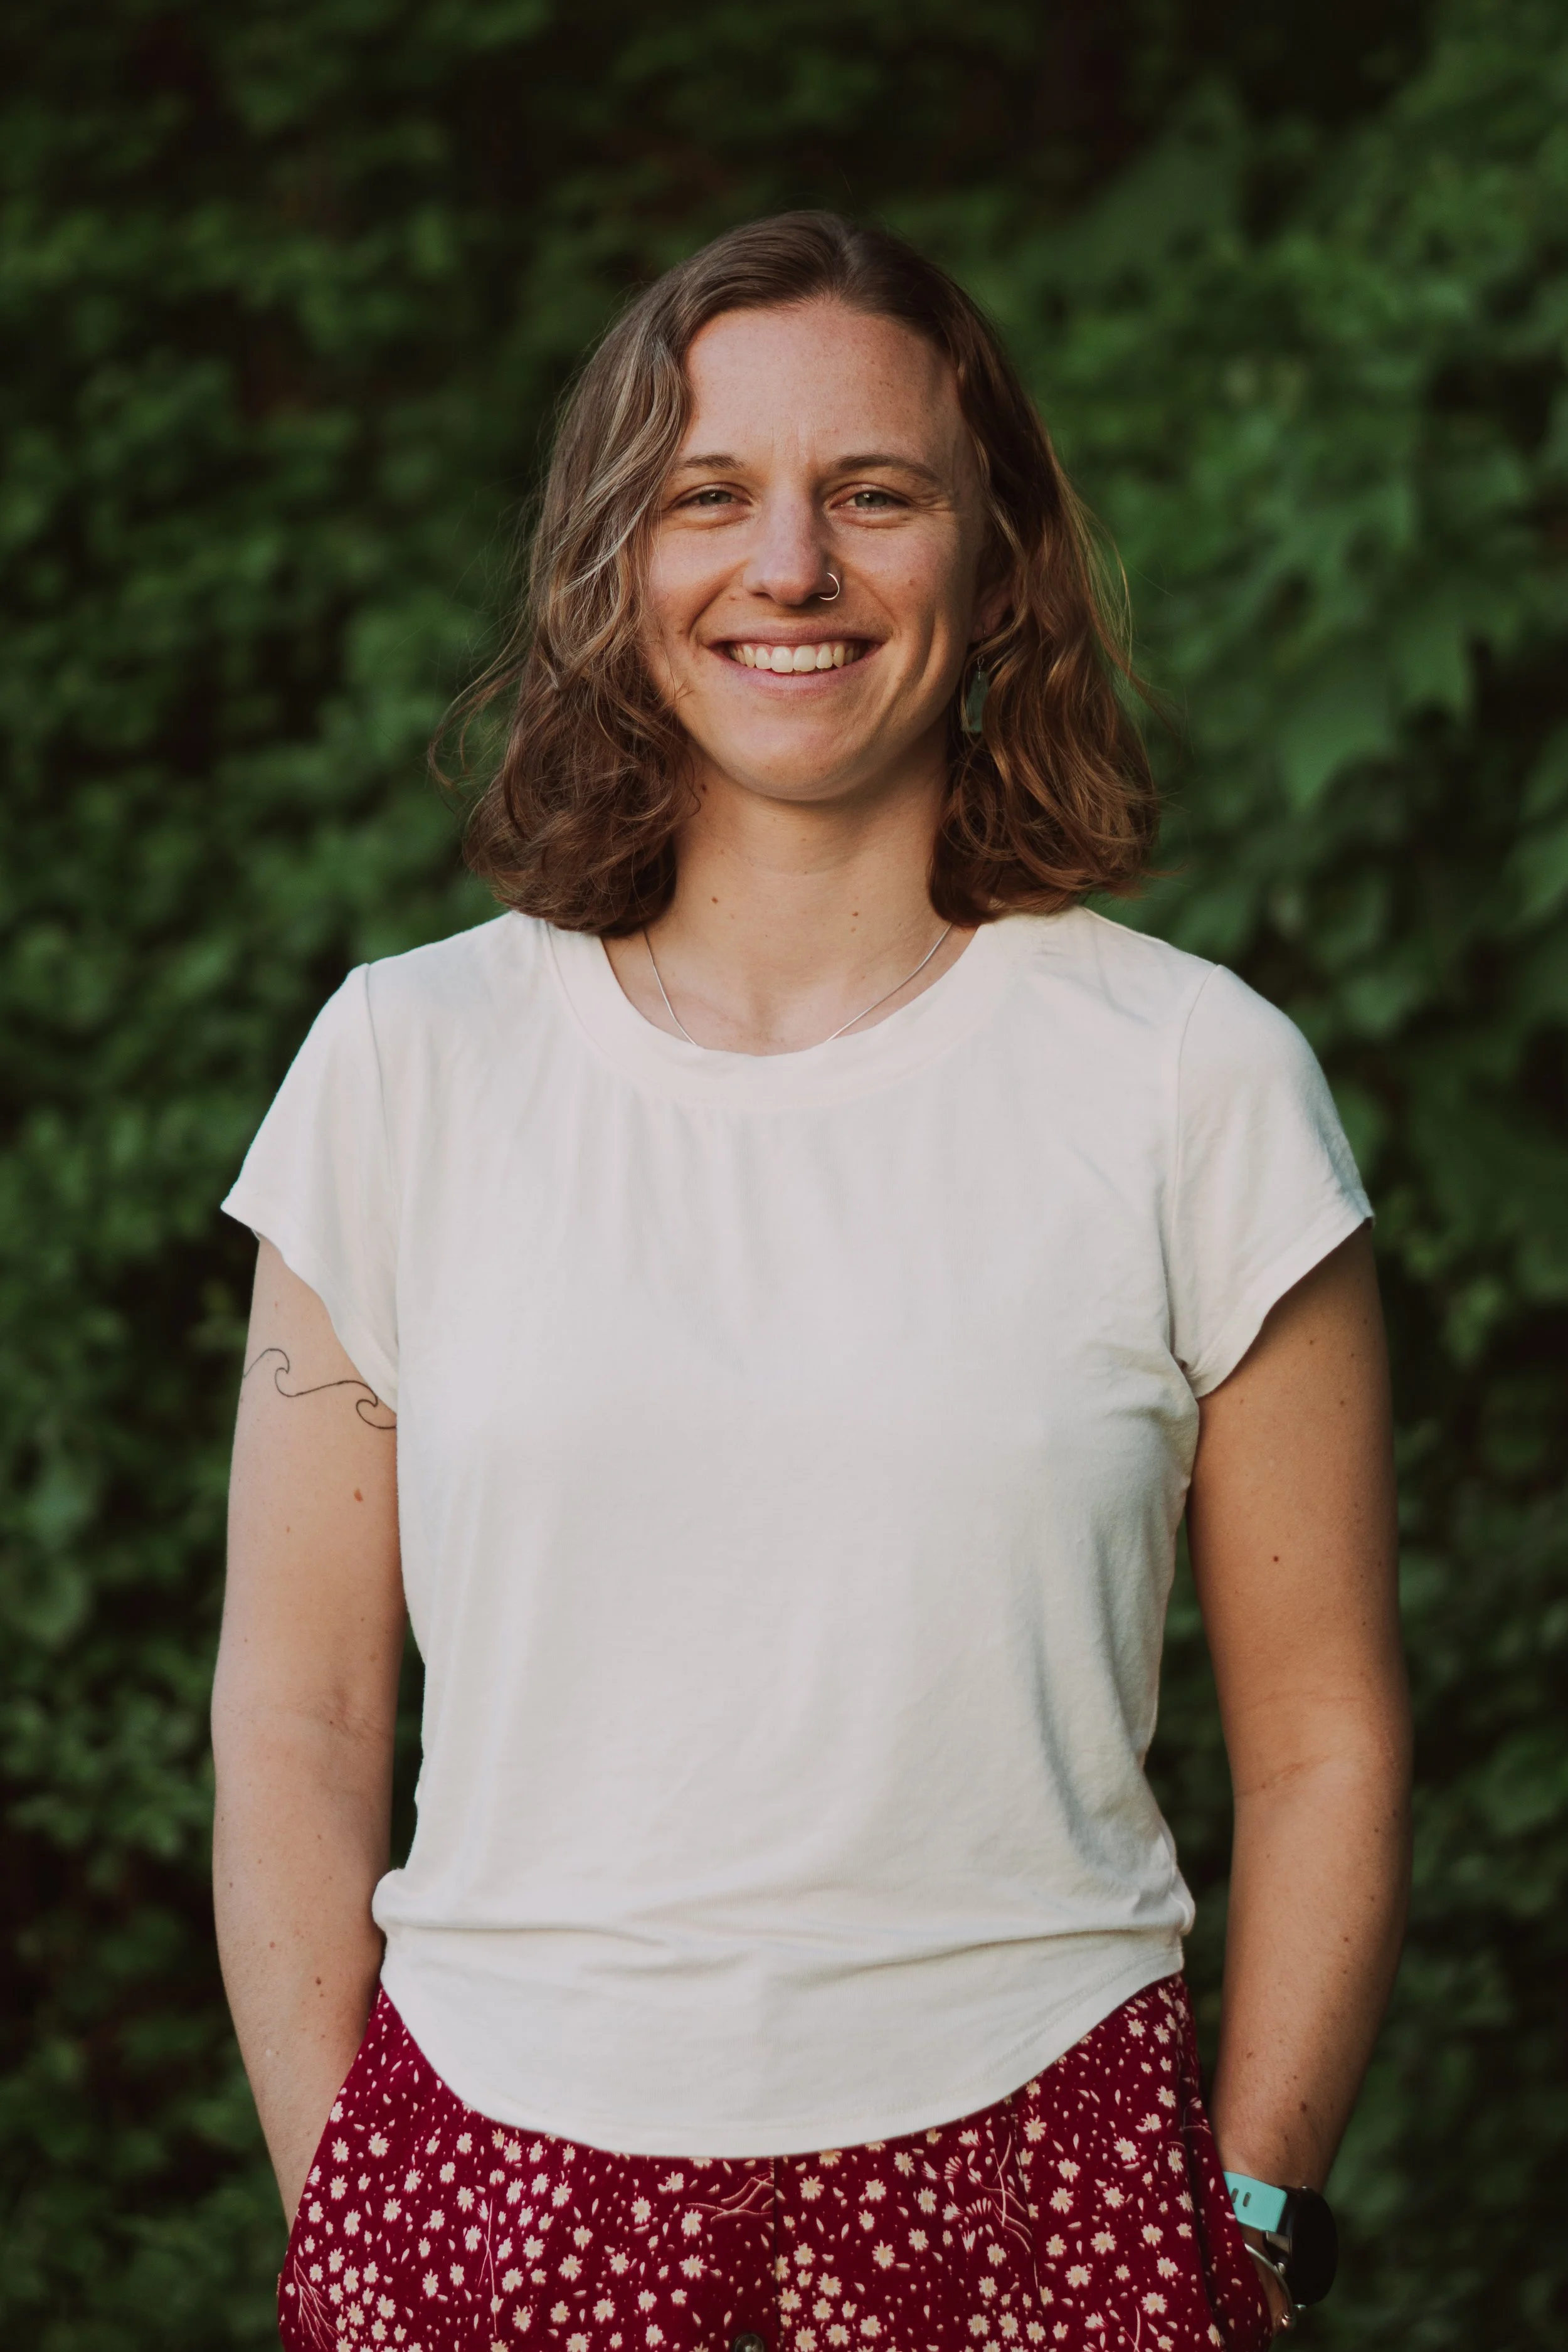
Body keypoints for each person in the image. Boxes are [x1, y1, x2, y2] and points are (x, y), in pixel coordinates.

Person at [212, 213, 1411, 2352]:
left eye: (872, 493)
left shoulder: (1189, 1079)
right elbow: (298, 1715)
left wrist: (1236, 2217)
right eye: (708, 494)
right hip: (487, 2180)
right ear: (616, 561)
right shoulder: (409, 1065)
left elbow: (1320, 1731)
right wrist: (354, 2214)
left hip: (1046, 2176)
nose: (789, 567)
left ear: (997, 554)